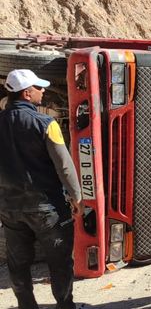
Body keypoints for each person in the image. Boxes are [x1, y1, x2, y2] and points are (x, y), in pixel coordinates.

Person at [0, 69, 83, 309]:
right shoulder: (46, 123)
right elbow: (64, 166)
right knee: (59, 261)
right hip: (47, 208)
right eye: (39, 87)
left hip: (10, 208)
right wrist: (77, 198)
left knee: (18, 263)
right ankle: (65, 305)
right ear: (27, 93)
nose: (43, 90)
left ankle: (27, 306)